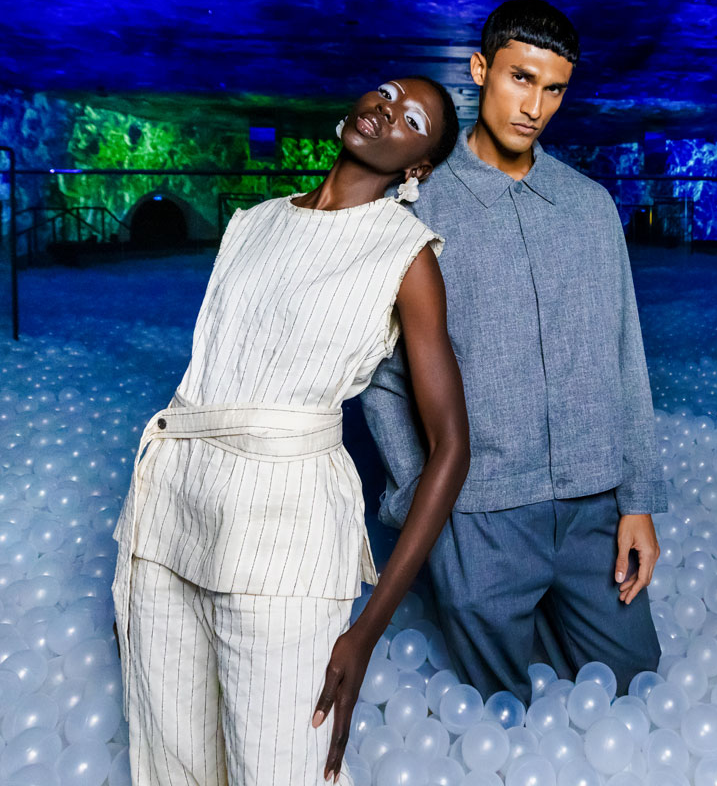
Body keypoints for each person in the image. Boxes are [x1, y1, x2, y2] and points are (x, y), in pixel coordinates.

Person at [112, 75, 470, 785]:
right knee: (171, 761)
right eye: (388, 94)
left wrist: (367, 631)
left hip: (286, 536)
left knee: (276, 769)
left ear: (417, 166)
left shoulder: (407, 255)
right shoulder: (253, 221)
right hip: (170, 515)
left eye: (412, 121)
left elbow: (452, 448)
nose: (387, 112)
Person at [361, 0, 665, 702]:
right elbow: (383, 373)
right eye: (519, 78)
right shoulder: (417, 208)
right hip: (480, 512)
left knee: (635, 689)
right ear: (479, 70)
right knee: (497, 717)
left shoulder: (590, 207)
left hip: (593, 507)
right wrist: (425, 503)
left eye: (553, 88)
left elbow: (628, 355)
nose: (534, 105)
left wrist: (638, 501)